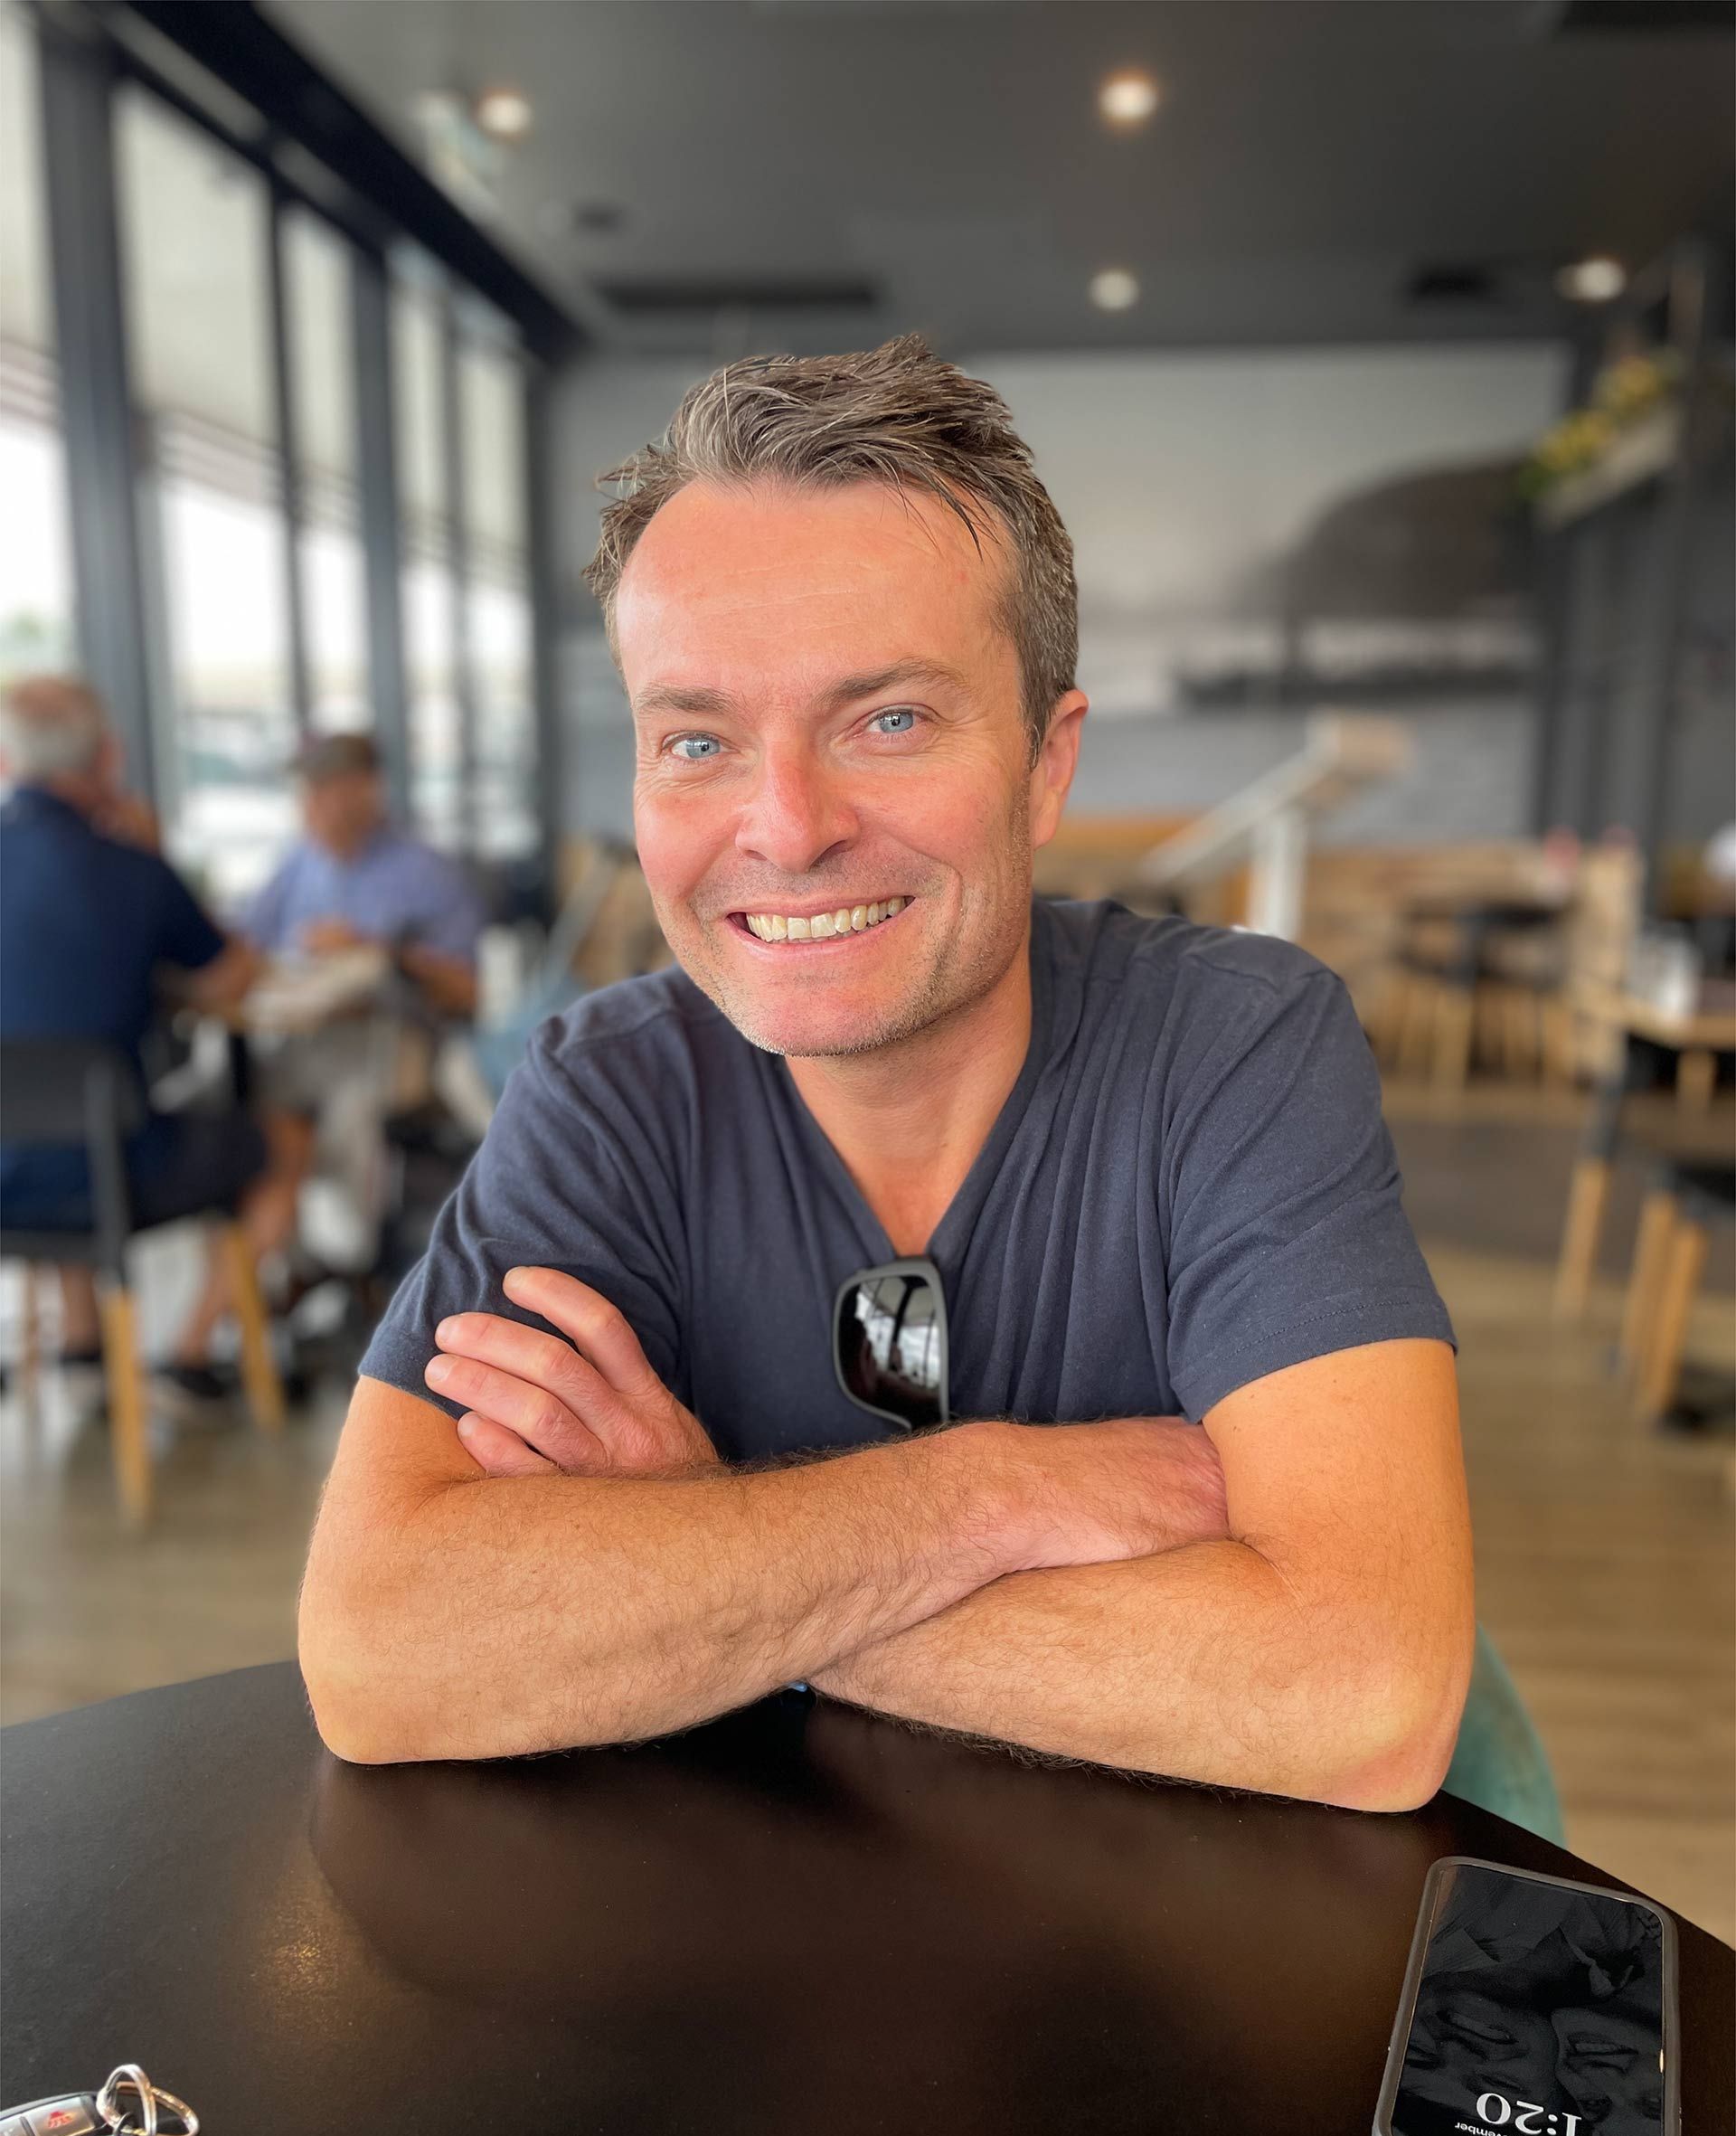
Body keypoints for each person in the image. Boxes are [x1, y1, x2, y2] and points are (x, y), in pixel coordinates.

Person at [300, 336, 1475, 1808]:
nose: (786, 828)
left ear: (1048, 765)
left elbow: (1362, 1691)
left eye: (890, 719)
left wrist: (697, 1551)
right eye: (699, 738)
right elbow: (380, 1649)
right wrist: (989, 1496)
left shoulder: (1235, 1048)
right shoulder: (609, 1092)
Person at [0, 676, 285, 1408]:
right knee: (277, 1144)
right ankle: (188, 1356)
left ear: (10, 762)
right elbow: (230, 978)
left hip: (8, 1173)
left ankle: (81, 1348)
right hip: (108, 1172)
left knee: (58, 1112)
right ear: (109, 759)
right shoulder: (131, 868)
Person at [241, 732, 484, 1271]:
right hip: (303, 1039)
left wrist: (376, 952)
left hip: (396, 1041)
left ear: (368, 791)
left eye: (329, 788)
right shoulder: (298, 864)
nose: (315, 804)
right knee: (242, 1105)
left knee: (347, 1108)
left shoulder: (425, 871)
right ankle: (291, 1262)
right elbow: (240, 948)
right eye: (309, 790)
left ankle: (355, 1264)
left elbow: (470, 992)